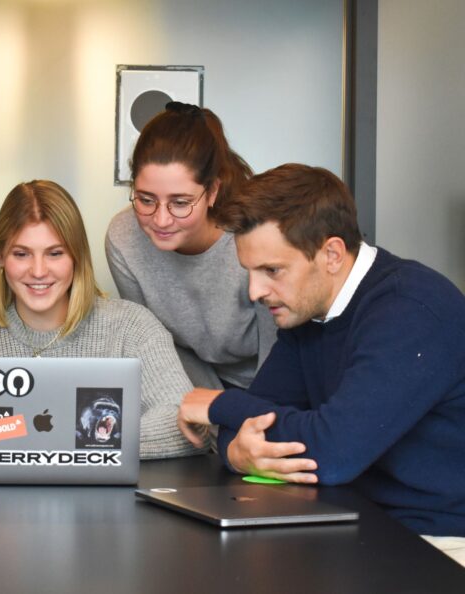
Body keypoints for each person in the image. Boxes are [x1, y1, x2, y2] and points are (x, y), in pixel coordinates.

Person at [177, 163, 465, 564]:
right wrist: (237, 451)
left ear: (331, 253)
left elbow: (331, 452)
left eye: (272, 270)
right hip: (355, 525)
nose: (255, 291)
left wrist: (216, 404)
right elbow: (252, 426)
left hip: (440, 541)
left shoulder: (411, 309)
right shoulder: (307, 313)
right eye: (250, 272)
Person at [0, 180, 202, 459]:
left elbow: (186, 425)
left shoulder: (132, 327)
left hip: (99, 505)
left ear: (76, 257)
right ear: (0, 257)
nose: (39, 271)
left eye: (55, 253)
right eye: (21, 254)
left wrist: (41, 437)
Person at [106, 102, 276, 391]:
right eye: (146, 199)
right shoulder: (124, 238)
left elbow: (280, 349)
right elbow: (151, 344)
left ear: (212, 192)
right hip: (191, 386)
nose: (160, 219)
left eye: (180, 203)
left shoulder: (258, 233)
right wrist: (208, 413)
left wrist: (243, 412)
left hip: (275, 382)